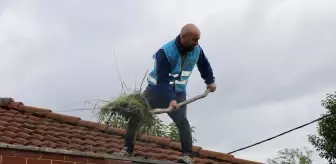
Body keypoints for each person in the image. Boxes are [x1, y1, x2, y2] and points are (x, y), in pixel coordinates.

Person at [113, 23, 216, 164]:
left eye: (198, 40)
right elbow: (163, 80)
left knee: (182, 121)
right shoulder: (165, 52)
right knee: (137, 114)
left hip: (178, 91)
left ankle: (187, 155)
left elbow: (204, 65)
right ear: (183, 36)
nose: (196, 43)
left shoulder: (196, 49)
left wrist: (210, 81)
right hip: (156, 90)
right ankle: (127, 149)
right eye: (194, 40)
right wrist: (171, 99)